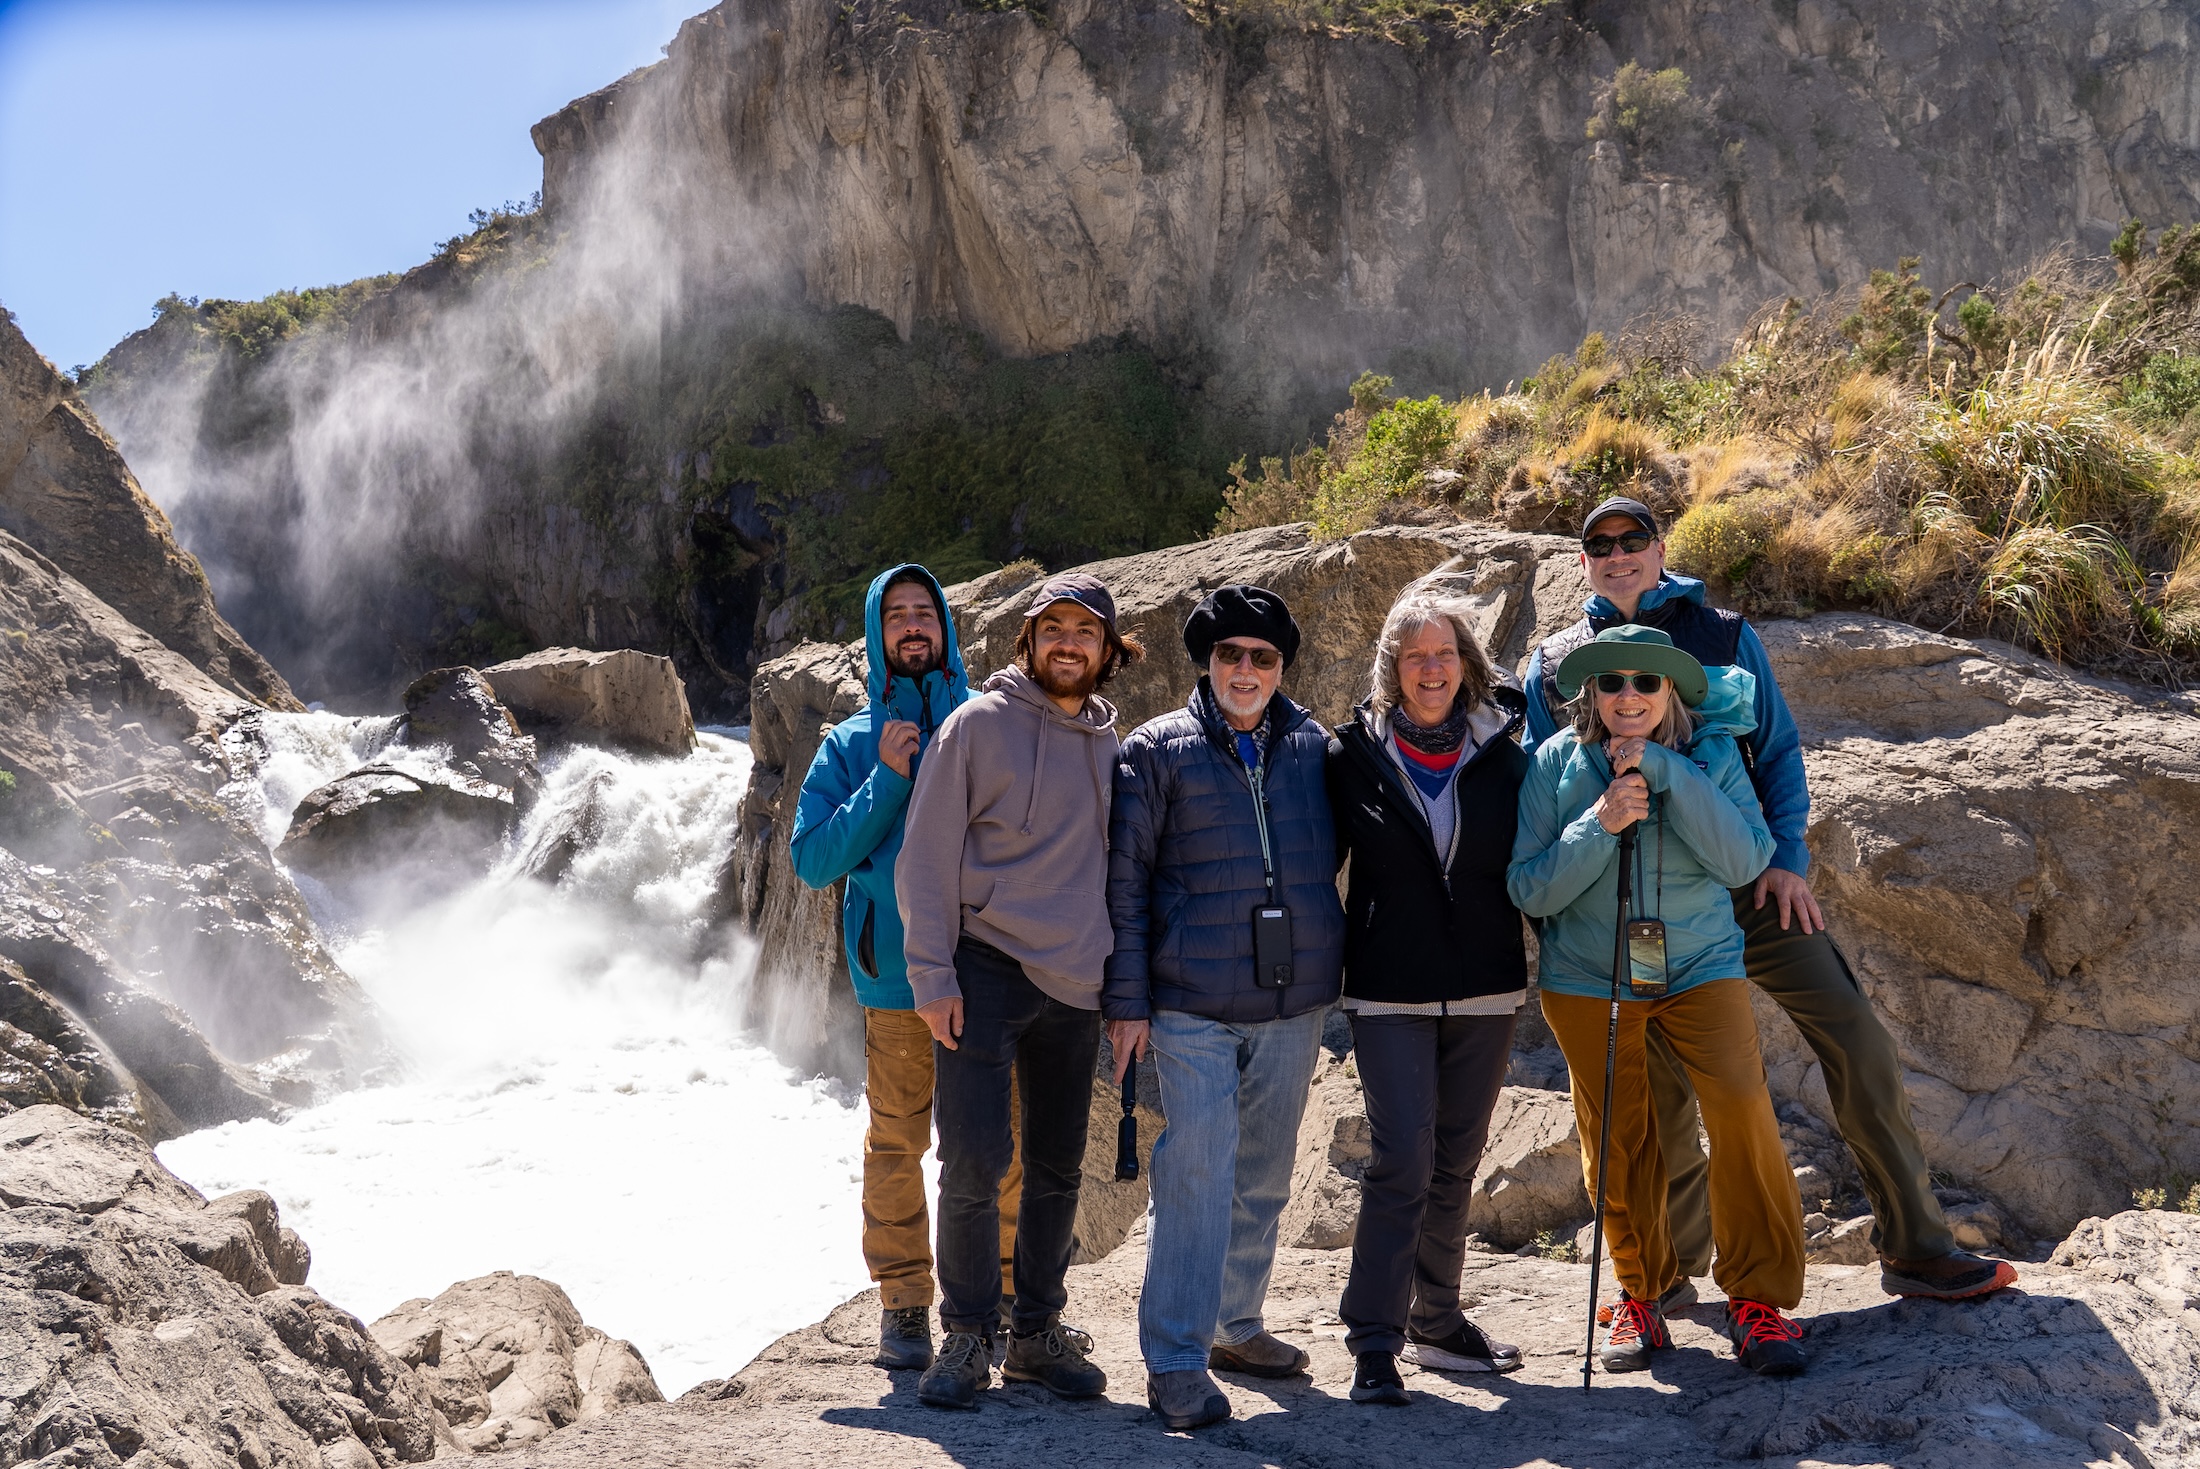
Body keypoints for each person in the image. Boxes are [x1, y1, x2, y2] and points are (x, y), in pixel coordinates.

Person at [1521, 497, 2018, 1305]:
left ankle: (1917, 1245)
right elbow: (1550, 783)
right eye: (1599, 543)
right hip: (1640, 913)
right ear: (1582, 560)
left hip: (1747, 886)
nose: (1617, 554)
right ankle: (1669, 1274)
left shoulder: (1722, 633)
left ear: (1658, 547)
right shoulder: (1556, 663)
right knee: (1665, 1096)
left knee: (1855, 1037)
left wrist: (1786, 859)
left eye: (1633, 539)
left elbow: (1779, 750)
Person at [1509, 625, 1809, 1377]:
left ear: (1671, 691)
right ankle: (1640, 1296)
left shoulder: (1710, 756)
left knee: (1741, 1108)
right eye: (1611, 683)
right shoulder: (1553, 764)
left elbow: (1746, 857)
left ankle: (1757, 1300)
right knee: (1616, 1135)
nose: (1628, 695)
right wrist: (1600, 823)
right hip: (1589, 977)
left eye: (1646, 681)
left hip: (1701, 965)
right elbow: (1530, 887)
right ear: (1591, 693)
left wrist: (1672, 773)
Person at [1103, 585, 1345, 1431]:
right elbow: (1124, 884)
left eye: (1264, 658)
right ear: (1207, 662)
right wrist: (1126, 1000)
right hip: (1190, 1002)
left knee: (1265, 1176)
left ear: (1281, 668)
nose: (1246, 670)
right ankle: (1174, 1358)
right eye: (1231, 655)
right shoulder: (1154, 750)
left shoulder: (1316, 746)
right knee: (1197, 1172)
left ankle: (1233, 1326)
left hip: (1294, 1001)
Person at [897, 572, 1140, 1411]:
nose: (1068, 642)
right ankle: (965, 1333)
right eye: (1053, 628)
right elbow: (922, 857)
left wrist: (1122, 992)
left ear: (1108, 651)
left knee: (1057, 1166)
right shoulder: (974, 728)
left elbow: (1123, 876)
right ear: (1028, 641)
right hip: (985, 967)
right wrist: (931, 974)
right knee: (970, 1158)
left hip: (1077, 981)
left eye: (1085, 631)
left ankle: (1035, 1333)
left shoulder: (1114, 748)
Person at [788, 564, 1022, 1372]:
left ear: (948, 629)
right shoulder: (851, 744)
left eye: (926, 613)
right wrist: (886, 778)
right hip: (894, 986)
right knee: (897, 1142)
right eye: (899, 617)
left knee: (1000, 1143)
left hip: (989, 973)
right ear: (878, 635)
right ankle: (905, 1304)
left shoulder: (986, 721)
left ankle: (1007, 1299)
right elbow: (814, 860)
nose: (913, 626)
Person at [1324, 583, 1530, 1407]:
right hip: (1388, 988)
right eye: (1415, 657)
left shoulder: (1507, 750)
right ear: (1393, 669)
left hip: (1486, 984)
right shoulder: (1350, 756)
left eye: (1445, 653)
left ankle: (1437, 1320)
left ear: (1468, 663)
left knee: (1456, 1161)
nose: (1432, 669)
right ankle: (1374, 1338)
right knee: (1401, 1158)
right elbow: (1315, 870)